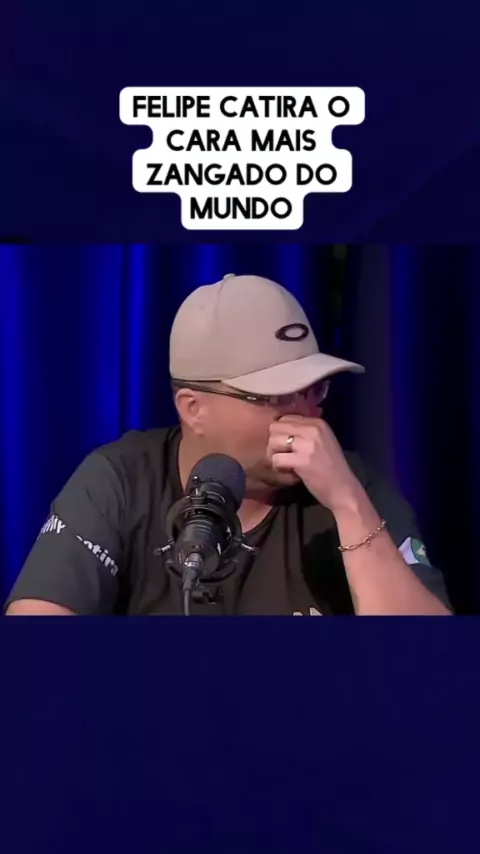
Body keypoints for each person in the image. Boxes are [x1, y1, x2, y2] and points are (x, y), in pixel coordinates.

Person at [5, 274, 452, 616]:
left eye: (314, 389)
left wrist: (349, 507)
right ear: (194, 408)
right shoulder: (119, 480)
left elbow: (428, 666)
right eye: (276, 397)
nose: (306, 416)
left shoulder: (356, 489)